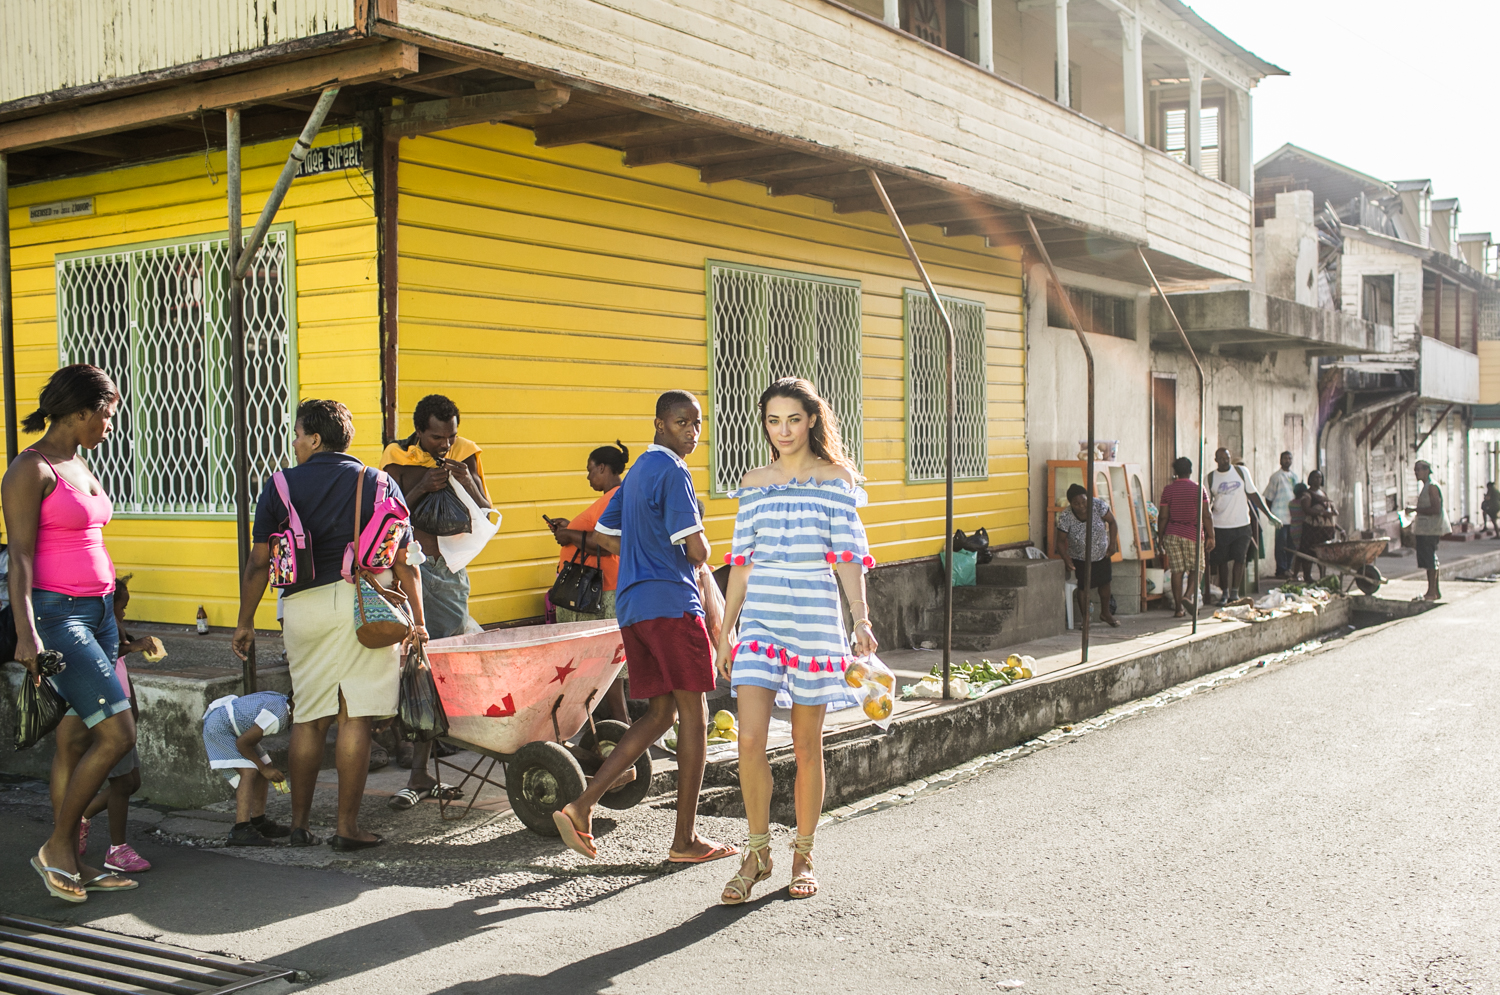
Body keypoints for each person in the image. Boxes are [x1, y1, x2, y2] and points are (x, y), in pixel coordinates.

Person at [233, 398, 429, 851]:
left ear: (315, 438)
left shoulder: (279, 485)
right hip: (368, 606)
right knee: (354, 717)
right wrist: (418, 622)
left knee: (309, 718)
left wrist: (244, 622)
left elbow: (259, 562)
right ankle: (347, 828)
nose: (296, 443)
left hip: (303, 608)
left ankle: (300, 826)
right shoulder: (380, 483)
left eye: (299, 434)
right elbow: (405, 561)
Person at [713, 377, 877, 903]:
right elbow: (741, 562)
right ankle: (757, 851)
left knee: (808, 746)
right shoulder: (754, 481)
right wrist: (725, 630)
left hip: (815, 614)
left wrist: (861, 621)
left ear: (812, 421)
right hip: (760, 615)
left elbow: (849, 557)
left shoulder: (836, 479)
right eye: (772, 420)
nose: (782, 430)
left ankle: (803, 852)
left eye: (793, 419)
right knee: (749, 740)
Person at [553, 391, 734, 866]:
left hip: (633, 606)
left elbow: (606, 537)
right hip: (671, 603)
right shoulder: (674, 471)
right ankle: (685, 840)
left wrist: (649, 539)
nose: (692, 433)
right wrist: (701, 544)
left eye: (697, 424)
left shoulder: (632, 479)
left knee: (659, 715)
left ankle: (581, 806)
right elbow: (696, 552)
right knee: (694, 717)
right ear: (658, 424)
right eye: (681, 423)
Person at [4, 364, 139, 902]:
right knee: (118, 734)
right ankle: (58, 848)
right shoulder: (29, 469)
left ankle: (76, 862)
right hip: (60, 617)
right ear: (80, 412)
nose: (109, 426)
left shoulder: (79, 463)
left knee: (80, 735)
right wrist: (26, 634)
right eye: (105, 416)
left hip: (101, 612)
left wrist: (118, 619)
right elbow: (17, 559)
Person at [381, 394, 491, 810]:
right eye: (435, 437)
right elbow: (391, 516)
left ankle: (423, 764)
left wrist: (466, 479)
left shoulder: (466, 453)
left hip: (447, 572)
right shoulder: (397, 456)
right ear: (418, 431)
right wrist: (422, 485)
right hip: (408, 569)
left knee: (439, 664)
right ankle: (413, 758)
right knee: (411, 663)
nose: (444, 444)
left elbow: (485, 510)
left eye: (451, 435)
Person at [546, 441, 630, 724]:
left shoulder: (614, 497)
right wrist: (571, 528)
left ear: (603, 468)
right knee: (602, 669)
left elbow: (607, 544)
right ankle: (611, 730)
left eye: (590, 470)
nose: (588, 477)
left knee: (603, 668)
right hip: (601, 589)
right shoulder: (613, 497)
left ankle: (621, 726)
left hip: (599, 593)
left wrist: (569, 535)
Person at [77, 575, 156, 873]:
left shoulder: (115, 628)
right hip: (107, 711)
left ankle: (79, 816)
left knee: (132, 782)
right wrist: (133, 646)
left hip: (121, 710)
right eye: (120, 608)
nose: (123, 613)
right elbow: (104, 654)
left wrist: (132, 709)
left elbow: (122, 672)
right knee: (122, 782)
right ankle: (117, 849)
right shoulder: (98, 631)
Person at [200, 690, 294, 846]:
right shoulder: (279, 716)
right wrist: (263, 770)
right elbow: (243, 744)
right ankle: (241, 829)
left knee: (265, 764)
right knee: (249, 771)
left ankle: (258, 820)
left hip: (232, 726)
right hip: (220, 728)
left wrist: (265, 768)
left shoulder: (282, 703)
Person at [1205, 447, 1279, 604]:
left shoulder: (1241, 472)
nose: (1225, 461)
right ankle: (1224, 593)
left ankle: (1234, 593)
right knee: (1222, 561)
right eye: (1221, 459)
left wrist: (1269, 515)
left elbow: (1254, 495)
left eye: (1227, 458)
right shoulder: (1211, 478)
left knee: (1240, 558)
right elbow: (1206, 506)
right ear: (1216, 460)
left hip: (1242, 525)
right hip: (1220, 526)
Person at [1155, 458, 1215, 618]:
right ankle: (1187, 595)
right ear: (1190, 470)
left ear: (1175, 472)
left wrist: (1160, 537)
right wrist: (1211, 535)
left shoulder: (1168, 490)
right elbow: (1206, 515)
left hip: (1172, 534)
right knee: (1197, 567)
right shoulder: (1198, 489)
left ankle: (1178, 609)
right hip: (1192, 534)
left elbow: (1163, 516)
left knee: (1177, 570)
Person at [1056, 483, 1121, 628]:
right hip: (1080, 557)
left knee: (1105, 583)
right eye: (1076, 503)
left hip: (1101, 553)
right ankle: (1085, 619)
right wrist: (1066, 559)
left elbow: (1112, 522)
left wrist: (1112, 544)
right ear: (1071, 504)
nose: (1081, 506)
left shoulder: (1098, 506)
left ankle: (1105, 613)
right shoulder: (1066, 516)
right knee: (1083, 587)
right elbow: (1060, 541)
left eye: (1084, 501)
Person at [1294, 471, 1339, 584]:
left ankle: (1322, 576)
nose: (1317, 480)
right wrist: (1321, 513)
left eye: (1319, 477)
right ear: (1310, 479)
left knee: (1322, 554)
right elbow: (1306, 509)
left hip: (1325, 530)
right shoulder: (1307, 494)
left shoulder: (1323, 493)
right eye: (1315, 477)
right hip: (1312, 529)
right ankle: (1307, 576)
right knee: (1308, 552)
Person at [1412, 460, 1448, 601]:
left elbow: (1435, 509)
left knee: (1429, 560)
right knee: (1430, 559)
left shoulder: (1432, 487)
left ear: (1427, 470)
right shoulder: (1426, 486)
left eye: (1419, 469)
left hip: (1430, 529)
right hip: (1426, 529)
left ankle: (1431, 592)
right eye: (1415, 470)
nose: (1416, 473)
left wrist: (1416, 510)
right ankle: (1435, 591)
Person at [1263, 451, 1300, 578]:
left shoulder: (1294, 477)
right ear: (1280, 460)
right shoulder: (1276, 477)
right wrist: (1271, 514)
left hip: (1293, 516)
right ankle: (1280, 569)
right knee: (1280, 543)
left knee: (1292, 543)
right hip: (1280, 516)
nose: (1287, 461)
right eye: (1285, 458)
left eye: (1290, 458)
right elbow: (1268, 497)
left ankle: (1288, 568)